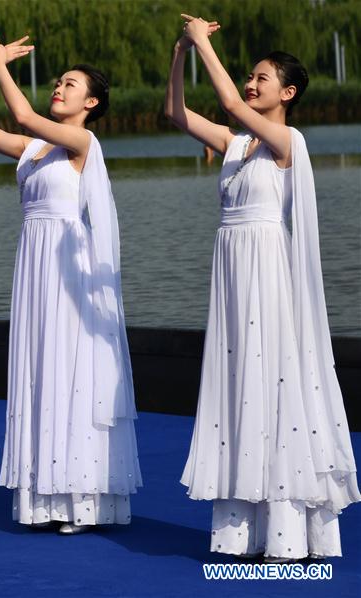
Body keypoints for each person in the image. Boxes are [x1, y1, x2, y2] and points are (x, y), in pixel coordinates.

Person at [166, 14, 359, 561]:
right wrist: (181, 52)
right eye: (250, 77)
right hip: (231, 268)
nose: (251, 84)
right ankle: (240, 531)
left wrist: (204, 44)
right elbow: (175, 113)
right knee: (238, 379)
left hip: (267, 268)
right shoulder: (235, 144)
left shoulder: (286, 141)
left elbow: (229, 103)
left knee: (271, 377)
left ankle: (287, 532)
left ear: (287, 93)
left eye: (261, 78)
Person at [0, 31, 141, 533]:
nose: (59, 88)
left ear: (91, 103)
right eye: (58, 82)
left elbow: (23, 114)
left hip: (69, 263)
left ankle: (82, 498)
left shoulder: (82, 142)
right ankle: (46, 496)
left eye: (70, 84)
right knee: (42, 366)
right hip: (35, 261)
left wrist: (2, 67)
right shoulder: (34, 149)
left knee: (72, 367)